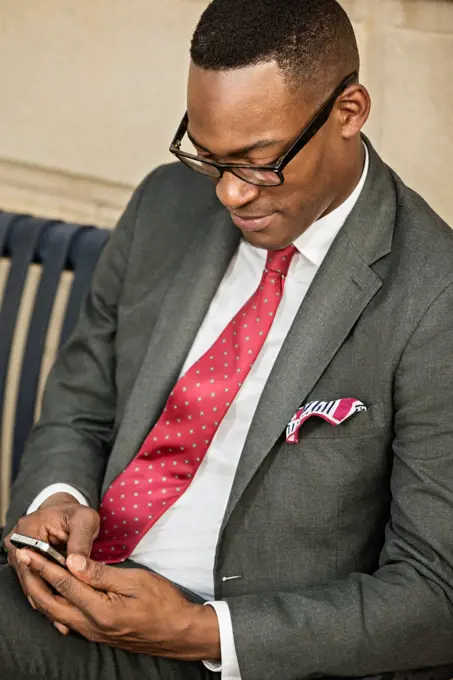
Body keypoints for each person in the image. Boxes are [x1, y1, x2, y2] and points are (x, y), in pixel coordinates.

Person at [2, 0, 453, 678]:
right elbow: (79, 403)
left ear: (348, 111)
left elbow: (434, 592)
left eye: (258, 161)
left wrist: (196, 631)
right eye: (208, 156)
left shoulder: (432, 294)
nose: (229, 195)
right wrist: (55, 499)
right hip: (77, 598)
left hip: (237, 654)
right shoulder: (164, 205)